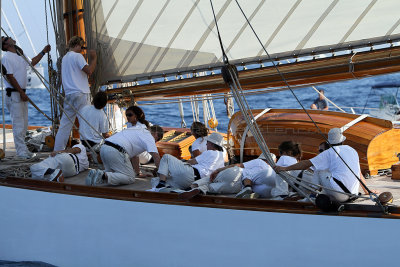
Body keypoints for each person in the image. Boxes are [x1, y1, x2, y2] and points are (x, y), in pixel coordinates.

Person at [274, 128, 369, 202]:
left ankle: (311, 197)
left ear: (330, 142)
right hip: (353, 193)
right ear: (342, 140)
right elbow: (358, 172)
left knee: (319, 169)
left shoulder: (329, 152)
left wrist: (285, 168)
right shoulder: (352, 150)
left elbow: (305, 164)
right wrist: (368, 191)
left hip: (340, 195)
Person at [1, 36, 51, 159]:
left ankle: (24, 150)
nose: (10, 37)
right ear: (6, 45)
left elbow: (32, 62)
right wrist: (21, 93)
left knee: (24, 124)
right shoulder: (6, 57)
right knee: (18, 123)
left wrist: (43, 51)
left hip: (20, 93)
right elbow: (10, 77)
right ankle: (21, 152)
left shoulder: (19, 55)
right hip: (14, 94)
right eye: (7, 38)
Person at [54, 36, 97, 151]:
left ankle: (57, 151)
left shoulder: (64, 58)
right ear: (77, 45)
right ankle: (89, 151)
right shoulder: (77, 56)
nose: (82, 50)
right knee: (86, 123)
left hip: (69, 95)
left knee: (65, 125)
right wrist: (94, 58)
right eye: (82, 47)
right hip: (81, 94)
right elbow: (89, 71)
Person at [86, 125, 164, 186]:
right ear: (156, 134)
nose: (156, 142)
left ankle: (96, 173)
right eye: (158, 139)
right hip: (116, 151)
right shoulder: (149, 137)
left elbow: (134, 156)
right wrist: (162, 177)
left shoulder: (138, 129)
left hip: (104, 148)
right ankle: (102, 175)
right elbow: (156, 157)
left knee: (113, 173)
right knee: (130, 178)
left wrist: (138, 173)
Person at [179, 153, 277, 200]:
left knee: (210, 178)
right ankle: (201, 189)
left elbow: (237, 165)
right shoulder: (270, 173)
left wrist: (218, 170)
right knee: (212, 188)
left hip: (236, 173)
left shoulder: (259, 161)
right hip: (237, 187)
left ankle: (192, 187)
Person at [155, 132, 225, 191]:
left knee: (166, 157)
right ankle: (165, 186)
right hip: (194, 181)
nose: (206, 144)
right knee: (157, 181)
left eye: (207, 142)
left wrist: (178, 164)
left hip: (189, 173)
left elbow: (191, 162)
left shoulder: (210, 152)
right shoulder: (221, 157)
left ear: (212, 144)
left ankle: (162, 182)